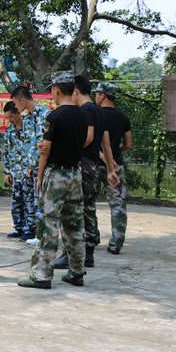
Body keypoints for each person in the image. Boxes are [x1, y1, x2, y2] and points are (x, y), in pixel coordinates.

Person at [17, 71, 88, 289]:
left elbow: (45, 150)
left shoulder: (54, 117)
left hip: (56, 175)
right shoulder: (83, 115)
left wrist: (39, 177)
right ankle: (77, 271)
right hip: (75, 174)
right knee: (74, 225)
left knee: (48, 225)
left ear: (56, 89)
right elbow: (84, 142)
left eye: (51, 90)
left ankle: (41, 275)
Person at [55, 75, 119, 269]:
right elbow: (106, 144)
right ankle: (88, 252)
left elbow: (89, 137)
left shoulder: (85, 110)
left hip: (82, 165)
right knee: (88, 208)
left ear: (75, 91)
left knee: (73, 210)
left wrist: (66, 150)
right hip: (92, 166)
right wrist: (109, 169)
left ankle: (71, 253)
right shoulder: (99, 112)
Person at [94, 81, 131, 255]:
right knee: (117, 204)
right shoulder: (123, 118)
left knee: (87, 202)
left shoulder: (94, 115)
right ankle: (116, 242)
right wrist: (115, 154)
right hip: (116, 165)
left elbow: (90, 141)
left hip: (94, 163)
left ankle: (91, 238)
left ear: (102, 96)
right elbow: (128, 145)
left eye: (97, 94)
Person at [11, 85, 50, 241]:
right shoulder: (27, 120)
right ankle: (38, 234)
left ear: (23, 100)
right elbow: (28, 145)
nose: (16, 107)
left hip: (46, 167)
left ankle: (45, 236)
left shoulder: (47, 115)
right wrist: (29, 166)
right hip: (32, 169)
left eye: (16, 103)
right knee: (35, 203)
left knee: (46, 203)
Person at [2, 100, 35, 238]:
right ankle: (19, 228)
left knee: (30, 202)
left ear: (18, 112)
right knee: (16, 202)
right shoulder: (9, 132)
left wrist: (33, 167)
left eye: (11, 116)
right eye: (7, 117)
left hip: (28, 172)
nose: (9, 120)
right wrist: (7, 172)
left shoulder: (30, 127)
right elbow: (7, 153)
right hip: (16, 173)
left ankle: (31, 229)